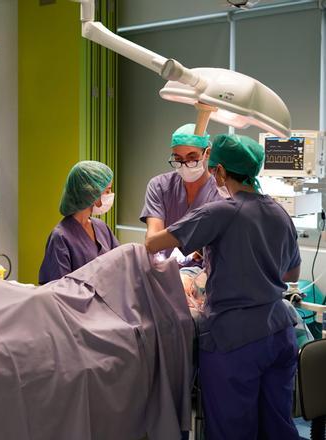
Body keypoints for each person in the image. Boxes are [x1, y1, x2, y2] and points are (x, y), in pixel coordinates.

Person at [145, 134, 301, 440]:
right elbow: (291, 273)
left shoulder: (220, 211)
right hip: (280, 332)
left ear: (218, 171)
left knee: (232, 430)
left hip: (235, 340)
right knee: (277, 426)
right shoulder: (280, 212)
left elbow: (152, 243)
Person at [140, 123, 222, 265]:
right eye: (178, 159)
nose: (185, 164)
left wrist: (192, 253)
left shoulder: (220, 193)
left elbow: (219, 243)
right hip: (164, 268)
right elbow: (153, 238)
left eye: (192, 157)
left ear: (207, 153)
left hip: (204, 274)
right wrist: (160, 263)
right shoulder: (160, 186)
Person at [38, 161, 119, 284]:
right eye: (107, 191)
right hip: (78, 303)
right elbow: (58, 291)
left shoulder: (101, 227)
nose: (110, 195)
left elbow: (121, 262)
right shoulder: (60, 237)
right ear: (92, 193)